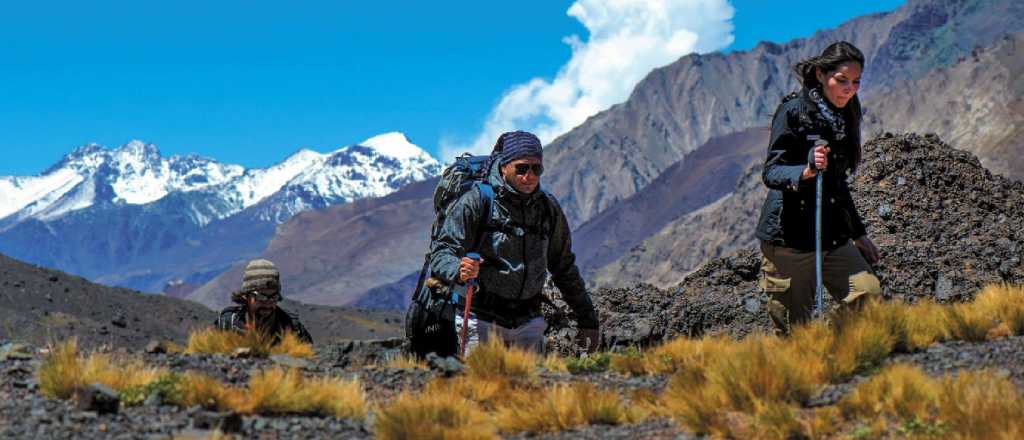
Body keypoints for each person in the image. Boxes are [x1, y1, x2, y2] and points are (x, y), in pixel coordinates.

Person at [429, 131, 601, 354]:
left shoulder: (547, 208)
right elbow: (442, 251)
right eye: (521, 168)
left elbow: (563, 266)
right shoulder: (477, 201)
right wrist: (458, 269)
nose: (529, 176)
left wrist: (587, 319)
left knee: (529, 389)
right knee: (481, 388)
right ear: (504, 167)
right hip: (479, 320)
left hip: (529, 322)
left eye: (536, 169)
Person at [755, 41, 882, 334]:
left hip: (832, 234)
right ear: (822, 74)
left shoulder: (846, 115)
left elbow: (838, 184)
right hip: (789, 239)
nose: (849, 89)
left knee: (867, 300)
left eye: (856, 82)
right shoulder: (793, 111)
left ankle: (847, 362)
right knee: (794, 332)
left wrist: (859, 233)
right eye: (842, 80)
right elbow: (771, 171)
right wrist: (807, 170)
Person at [215, 259, 313, 344]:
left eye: (273, 297)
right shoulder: (227, 324)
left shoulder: (292, 327)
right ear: (246, 296)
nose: (267, 302)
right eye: (261, 296)